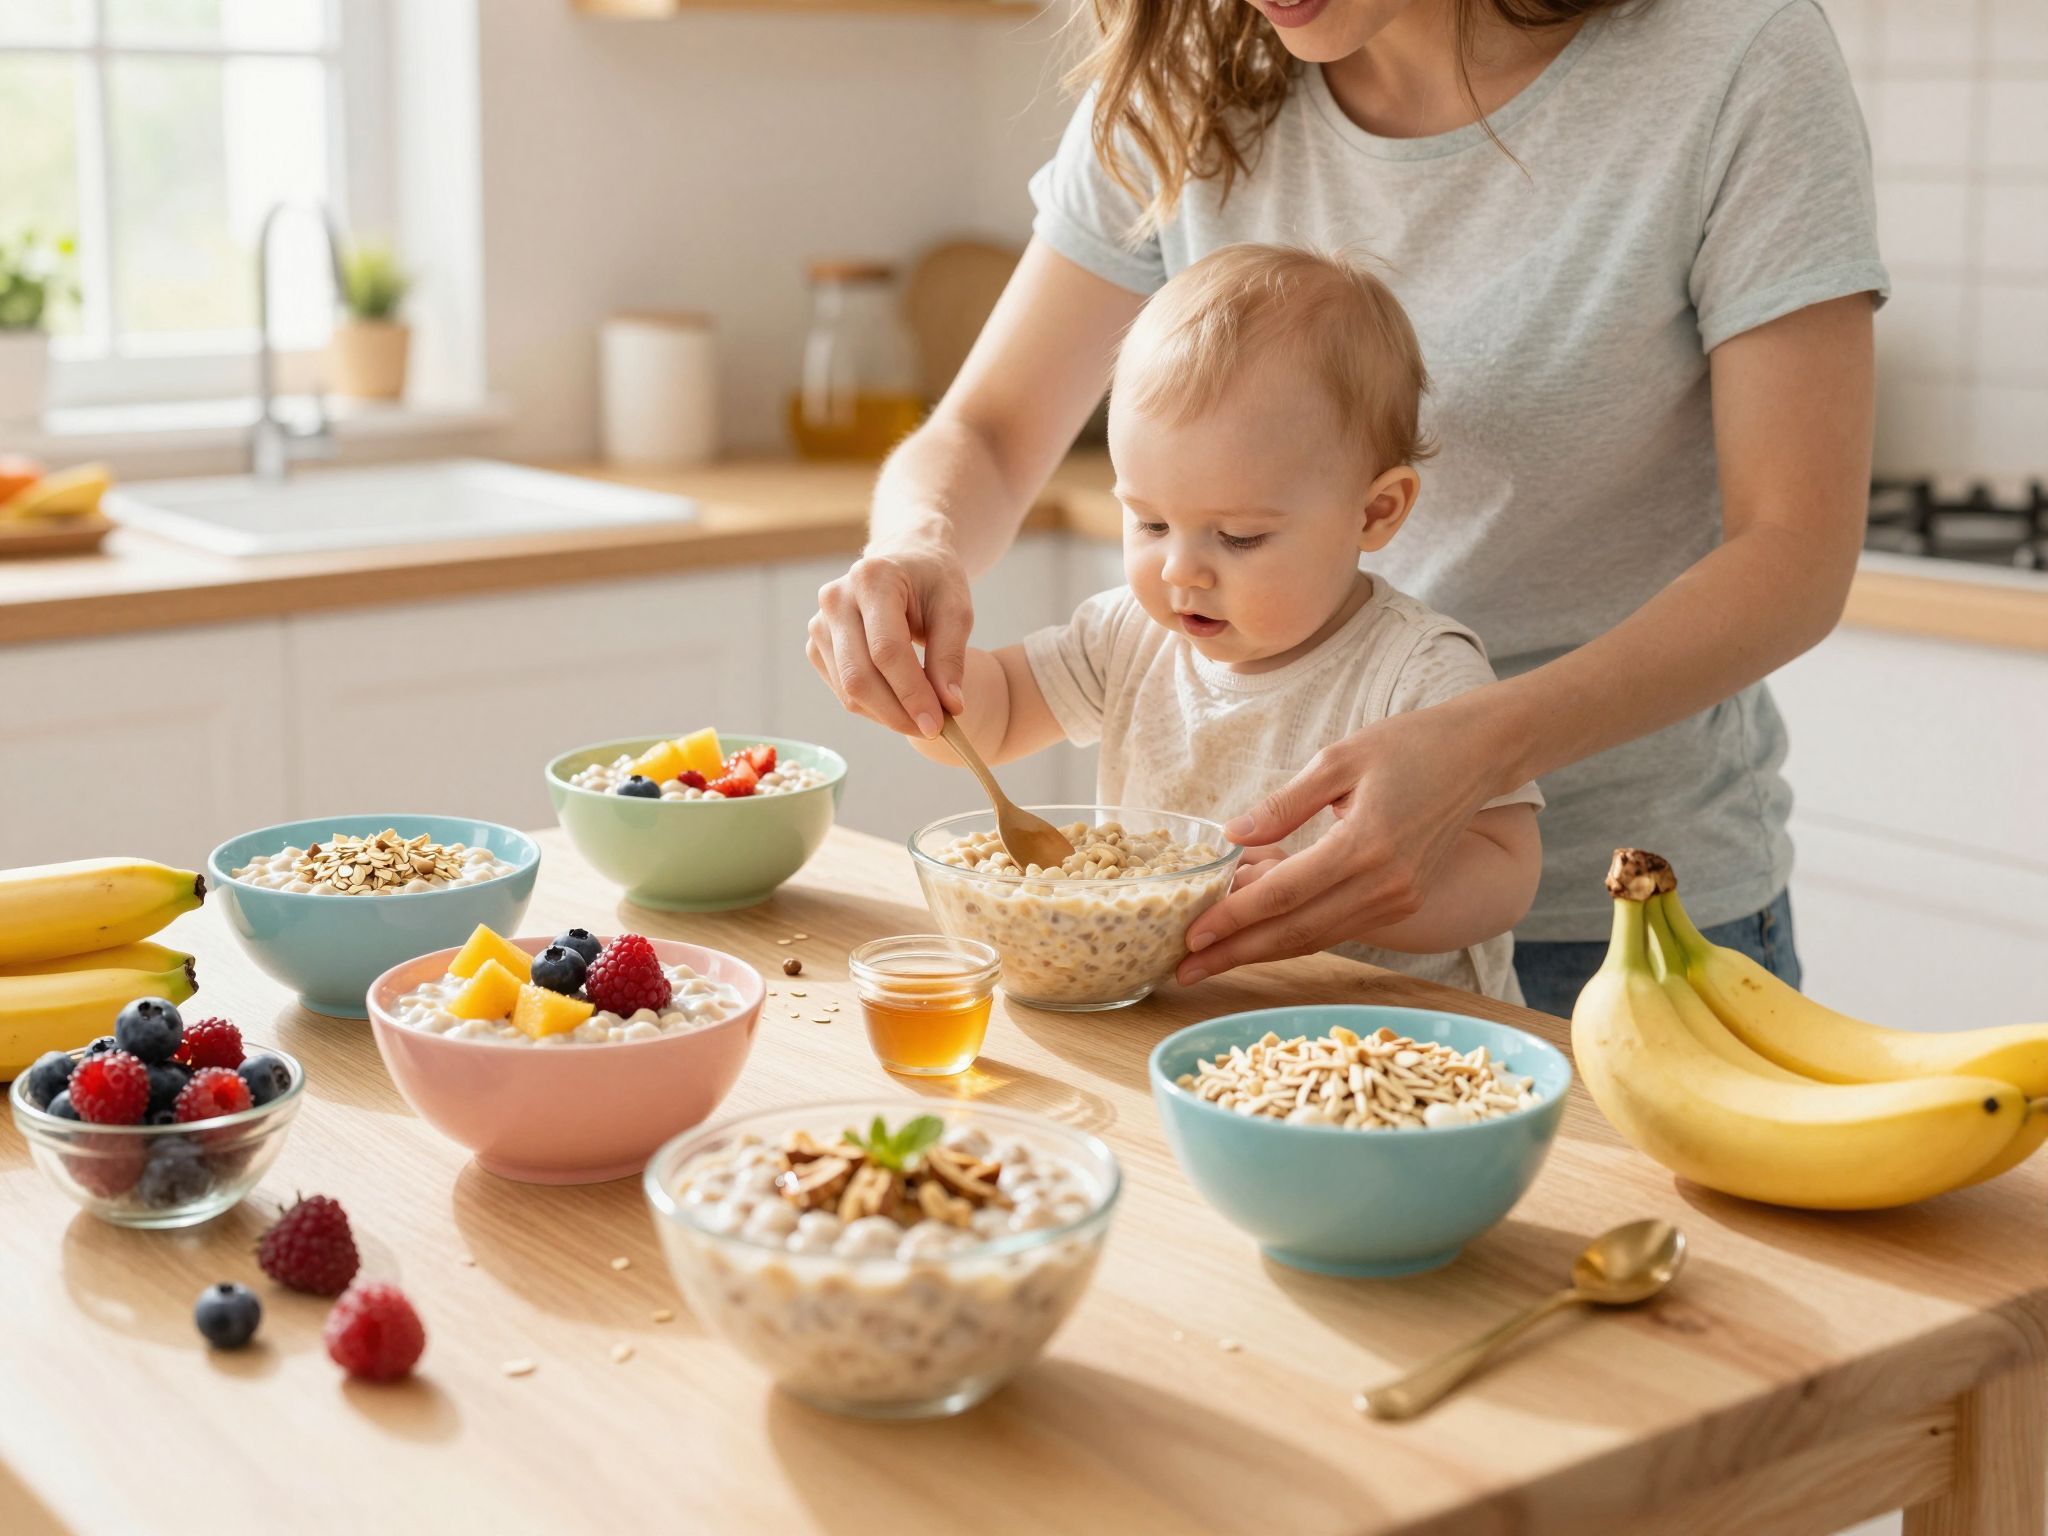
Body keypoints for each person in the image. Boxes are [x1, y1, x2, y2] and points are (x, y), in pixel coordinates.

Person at [808, 0, 1884, 1015]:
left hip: (1616, 928)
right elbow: (988, 436)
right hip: (1224, 958)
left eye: (1235, 536)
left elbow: (1789, 551)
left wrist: (1476, 752)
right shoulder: (1189, 67)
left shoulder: (1732, 56)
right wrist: (914, 553)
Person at [893, 243, 1543, 1000]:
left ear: (1375, 511)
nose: (1179, 572)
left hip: (1395, 1046)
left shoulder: (1420, 673)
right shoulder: (1128, 636)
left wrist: (1344, 893)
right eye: (1149, 523)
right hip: (1187, 1025)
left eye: (1237, 537)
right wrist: (917, 674)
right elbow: (997, 712)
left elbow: (1506, 866)